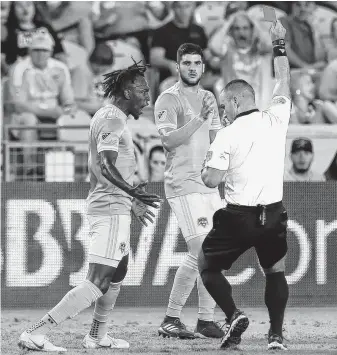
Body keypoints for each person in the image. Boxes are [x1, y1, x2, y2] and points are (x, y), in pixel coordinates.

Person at [18, 61, 161, 352]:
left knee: (118, 273)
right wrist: (132, 191)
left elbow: (108, 166)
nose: (148, 97)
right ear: (126, 90)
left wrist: (129, 199)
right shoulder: (112, 119)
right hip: (108, 209)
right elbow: (106, 166)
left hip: (114, 206)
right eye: (143, 91)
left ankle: (97, 336)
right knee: (98, 280)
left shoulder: (111, 116)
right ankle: (36, 332)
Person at [198, 20, 291, 350]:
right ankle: (276, 335)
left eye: (224, 106)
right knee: (275, 271)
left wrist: (207, 162)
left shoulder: (227, 134)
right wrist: (278, 43)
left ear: (235, 102)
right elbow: (284, 80)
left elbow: (210, 180)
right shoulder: (277, 119)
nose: (223, 111)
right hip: (274, 213)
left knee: (207, 267)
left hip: (239, 216)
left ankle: (234, 314)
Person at [154, 43, 224, 339]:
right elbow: (169, 142)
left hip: (207, 185)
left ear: (203, 68)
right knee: (202, 252)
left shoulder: (209, 97)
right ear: (178, 66)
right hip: (182, 184)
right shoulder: (167, 99)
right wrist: (197, 119)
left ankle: (205, 320)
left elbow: (216, 140)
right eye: (187, 63)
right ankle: (170, 318)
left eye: (197, 63)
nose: (192, 68)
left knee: (214, 254)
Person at [4, 1, 64, 66]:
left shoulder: (46, 27)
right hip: (20, 71)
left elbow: (60, 53)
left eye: (28, 4)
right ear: (12, 8)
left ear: (34, 6)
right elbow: (2, 59)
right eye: (19, 6)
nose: (25, 9)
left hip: (50, 70)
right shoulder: (7, 30)